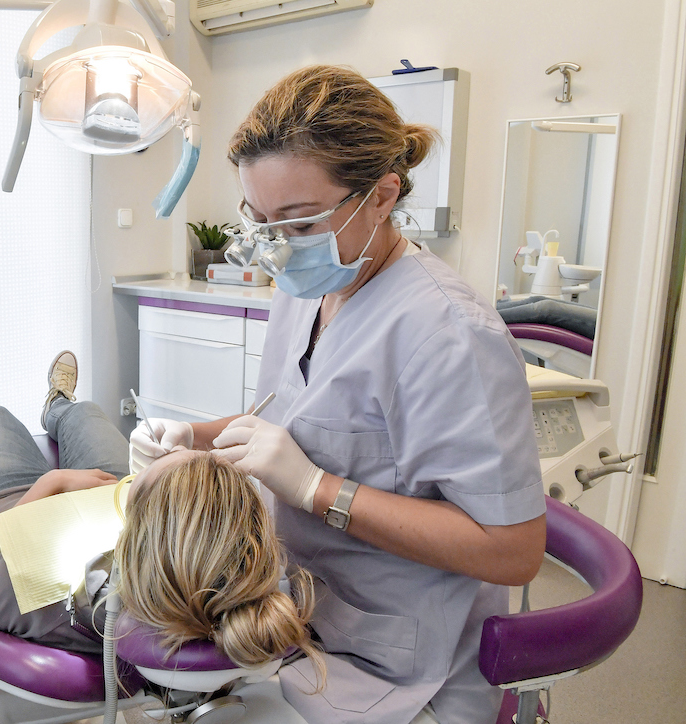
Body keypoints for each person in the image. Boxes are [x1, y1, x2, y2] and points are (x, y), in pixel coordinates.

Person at [129, 65, 547, 724]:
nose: (277, 247)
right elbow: (308, 419)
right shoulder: (310, 288)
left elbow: (513, 551)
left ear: (381, 196)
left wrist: (319, 490)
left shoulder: (449, 335)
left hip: (398, 662)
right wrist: (193, 436)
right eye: (260, 220)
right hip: (296, 610)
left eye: (298, 223)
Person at [0, 351, 320, 671]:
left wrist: (50, 484)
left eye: (141, 481)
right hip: (102, 489)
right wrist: (137, 476)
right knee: (86, 413)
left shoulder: (41, 587)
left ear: (132, 529)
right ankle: (59, 404)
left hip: (9, 501)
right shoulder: (242, 578)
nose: (169, 452)